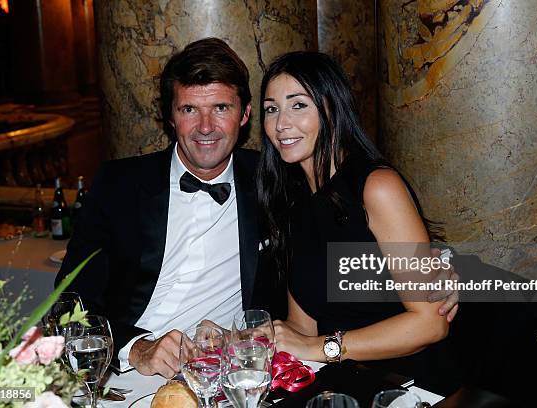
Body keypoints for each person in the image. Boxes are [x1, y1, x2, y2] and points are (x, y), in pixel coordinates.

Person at [56, 38, 457, 380]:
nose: (206, 127)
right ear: (169, 117)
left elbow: (415, 306)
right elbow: (69, 301)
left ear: (243, 115)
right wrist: (136, 350)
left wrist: (444, 266)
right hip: (133, 372)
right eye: (189, 110)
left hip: (392, 377)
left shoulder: (268, 186)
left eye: (221, 108)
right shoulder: (121, 184)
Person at [256, 51, 537, 405]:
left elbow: (429, 323)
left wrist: (323, 347)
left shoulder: (376, 187)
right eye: (271, 109)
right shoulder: (292, 203)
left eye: (298, 105)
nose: (281, 123)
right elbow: (303, 327)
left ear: (333, 108)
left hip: (416, 385)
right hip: (350, 382)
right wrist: (253, 342)